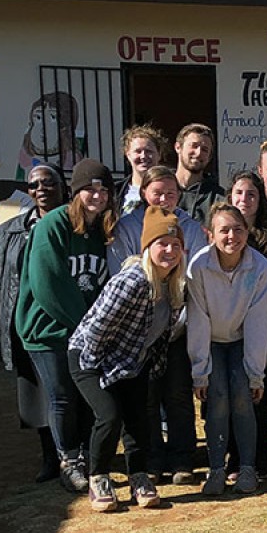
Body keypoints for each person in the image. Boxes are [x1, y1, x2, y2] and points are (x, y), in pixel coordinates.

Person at [68, 206, 184, 512]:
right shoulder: (134, 280)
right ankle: (99, 477)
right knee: (109, 415)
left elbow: (159, 336)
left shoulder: (173, 287)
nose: (169, 251)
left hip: (132, 360)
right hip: (90, 357)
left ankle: (139, 477)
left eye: (175, 245)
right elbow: (96, 330)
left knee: (139, 419)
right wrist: (103, 377)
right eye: (162, 244)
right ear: (148, 247)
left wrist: (149, 368)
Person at [15, 159, 117, 493]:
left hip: (84, 329)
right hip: (47, 329)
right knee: (62, 396)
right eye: (89, 188)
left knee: (86, 395)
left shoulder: (101, 229)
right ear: (76, 191)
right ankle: (68, 461)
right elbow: (49, 285)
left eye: (103, 189)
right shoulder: (53, 225)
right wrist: (87, 325)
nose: (97, 195)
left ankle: (87, 455)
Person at [109, 166, 208, 485]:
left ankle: (182, 458)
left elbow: (193, 276)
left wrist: (177, 322)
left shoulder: (191, 227)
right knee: (146, 398)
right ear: (144, 193)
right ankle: (150, 458)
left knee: (177, 395)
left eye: (170, 192)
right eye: (157, 192)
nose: (164, 199)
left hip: (177, 327)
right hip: (139, 330)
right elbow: (119, 273)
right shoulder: (127, 227)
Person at [0, 164, 65, 483]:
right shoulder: (9, 232)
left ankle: (77, 456)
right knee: (37, 399)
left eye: (48, 182)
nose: (41, 189)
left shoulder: (77, 227)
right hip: (26, 327)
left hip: (66, 325)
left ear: (62, 186)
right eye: (34, 184)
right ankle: (50, 458)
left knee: (70, 395)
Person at [187, 205, 267, 496]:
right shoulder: (198, 267)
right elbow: (198, 319)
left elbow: (258, 322)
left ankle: (247, 468)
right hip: (210, 341)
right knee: (217, 398)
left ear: (247, 232)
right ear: (210, 234)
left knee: (242, 395)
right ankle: (216, 469)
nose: (231, 236)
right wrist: (200, 371)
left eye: (238, 229)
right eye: (224, 230)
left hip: (240, 340)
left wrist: (255, 373)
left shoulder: (261, 268)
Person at [225, 170, 267, 480]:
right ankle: (234, 458)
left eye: (251, 194)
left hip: (263, 331)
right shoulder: (220, 235)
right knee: (234, 396)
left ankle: (260, 458)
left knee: (261, 395)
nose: (244, 199)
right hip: (228, 330)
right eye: (238, 193)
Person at [173, 123, 225, 226]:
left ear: (209, 157)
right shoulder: (161, 189)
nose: (198, 153)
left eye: (205, 150)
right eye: (194, 146)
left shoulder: (218, 198)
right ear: (178, 147)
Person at [115, 124, 167, 215]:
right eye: (138, 151)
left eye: (149, 151)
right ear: (128, 155)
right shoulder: (116, 192)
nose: (143, 156)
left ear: (159, 154)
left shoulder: (172, 190)